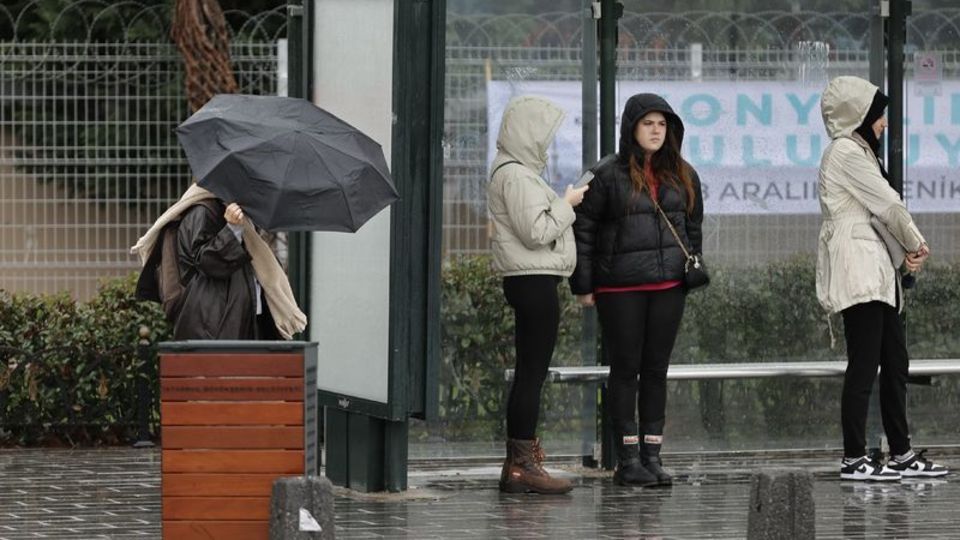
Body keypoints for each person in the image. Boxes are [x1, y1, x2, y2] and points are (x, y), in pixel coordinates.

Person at [817, 76, 948, 481]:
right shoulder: (846, 153)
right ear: (858, 115)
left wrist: (905, 249)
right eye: (878, 115)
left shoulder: (858, 151)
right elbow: (888, 203)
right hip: (858, 269)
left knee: (894, 360)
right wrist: (917, 243)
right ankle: (854, 456)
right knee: (865, 362)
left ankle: (902, 452)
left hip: (873, 269)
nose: (884, 123)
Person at [569, 93, 703, 487]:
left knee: (656, 371)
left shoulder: (684, 173)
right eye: (648, 124)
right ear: (632, 128)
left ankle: (652, 456)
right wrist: (584, 285)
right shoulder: (606, 174)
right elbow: (584, 231)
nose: (656, 131)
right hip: (620, 288)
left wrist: (689, 266)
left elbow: (692, 227)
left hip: (669, 287)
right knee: (626, 370)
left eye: (662, 124)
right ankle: (627, 460)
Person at [488, 95, 589, 494]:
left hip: (532, 279)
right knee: (532, 374)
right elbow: (537, 231)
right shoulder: (514, 175)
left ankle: (517, 465)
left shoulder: (515, 172)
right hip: (532, 279)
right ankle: (523, 465)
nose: (547, 144)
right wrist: (567, 203)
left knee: (531, 372)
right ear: (528, 133)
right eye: (543, 135)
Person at [131, 183, 307, 340]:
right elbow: (207, 262)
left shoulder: (237, 214)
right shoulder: (202, 212)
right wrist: (232, 230)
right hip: (215, 325)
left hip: (240, 319)